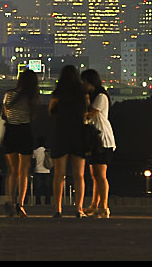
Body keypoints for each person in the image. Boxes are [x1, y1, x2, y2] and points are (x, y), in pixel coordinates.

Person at [49, 64, 89, 217]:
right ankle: (79, 208)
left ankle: (58, 208)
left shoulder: (58, 93)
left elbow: (51, 111)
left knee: (59, 174)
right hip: (78, 134)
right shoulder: (82, 93)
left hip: (62, 134)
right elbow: (86, 111)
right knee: (79, 175)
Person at [2, 68, 40, 217]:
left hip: (10, 131)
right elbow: (32, 116)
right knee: (24, 171)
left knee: (12, 170)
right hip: (25, 131)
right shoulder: (31, 96)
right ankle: (21, 204)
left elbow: (5, 113)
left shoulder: (8, 94)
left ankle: (9, 201)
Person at [81, 69, 116, 219]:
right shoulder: (97, 96)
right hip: (95, 141)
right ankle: (94, 205)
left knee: (100, 175)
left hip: (103, 140)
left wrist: (85, 100)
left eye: (85, 82)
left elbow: (89, 115)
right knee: (95, 175)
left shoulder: (101, 97)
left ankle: (104, 206)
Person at [32, 136, 52, 206]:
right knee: (48, 188)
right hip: (47, 171)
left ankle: (38, 201)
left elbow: (33, 162)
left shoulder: (35, 151)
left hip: (37, 171)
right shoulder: (47, 151)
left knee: (38, 188)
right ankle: (48, 201)